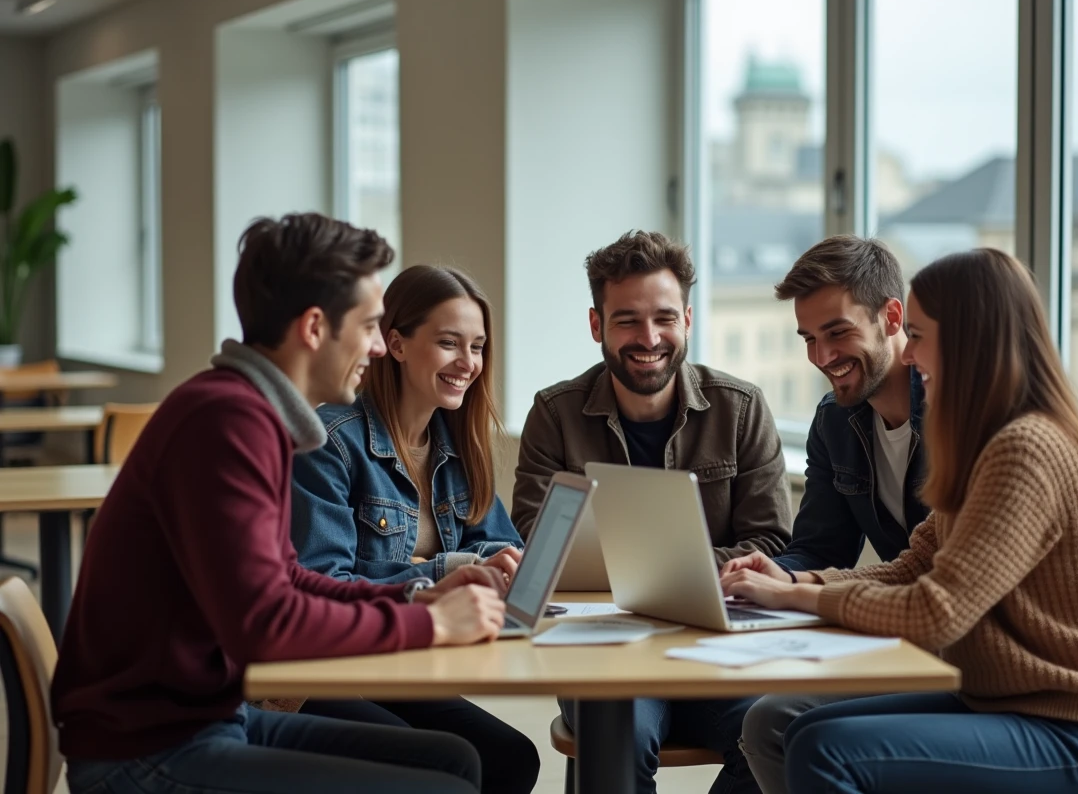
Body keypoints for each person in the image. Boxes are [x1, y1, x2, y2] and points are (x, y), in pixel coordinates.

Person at [51, 213, 510, 794]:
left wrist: (414, 595)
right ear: (315, 327)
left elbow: (289, 580)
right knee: (444, 787)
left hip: (211, 720)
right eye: (370, 326)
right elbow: (264, 626)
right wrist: (430, 623)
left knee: (457, 763)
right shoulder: (227, 422)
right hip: (145, 748)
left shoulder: (250, 413)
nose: (377, 346)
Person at [723, 248, 1078, 794]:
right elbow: (914, 567)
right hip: (999, 699)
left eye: (919, 336)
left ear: (970, 341)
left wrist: (797, 596)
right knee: (787, 727)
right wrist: (795, 582)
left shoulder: (1027, 447)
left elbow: (936, 612)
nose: (908, 355)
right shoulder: (982, 443)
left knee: (824, 749)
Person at [513, 229, 792, 794]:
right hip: (604, 652)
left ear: (687, 319)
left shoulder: (741, 409)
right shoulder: (554, 414)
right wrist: (671, 573)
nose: (649, 338)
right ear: (597, 325)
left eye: (664, 318)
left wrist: (657, 575)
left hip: (716, 651)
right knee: (617, 736)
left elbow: (770, 540)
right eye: (627, 321)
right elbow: (537, 539)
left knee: (780, 731)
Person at [289, 264, 539, 794]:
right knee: (442, 766)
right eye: (449, 343)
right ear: (396, 344)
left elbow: (497, 541)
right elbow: (324, 584)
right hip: (318, 673)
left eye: (477, 347)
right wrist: (446, 572)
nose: (468, 363)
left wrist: (494, 564)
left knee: (511, 759)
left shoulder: (454, 440)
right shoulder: (330, 442)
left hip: (399, 661)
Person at [726, 236, 929, 794]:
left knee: (779, 722)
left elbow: (938, 579)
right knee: (765, 718)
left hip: (937, 639)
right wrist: (777, 576)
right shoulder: (835, 421)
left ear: (892, 317)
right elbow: (820, 547)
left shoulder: (954, 415)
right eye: (809, 339)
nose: (821, 357)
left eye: (837, 332)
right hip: (900, 632)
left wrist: (800, 590)